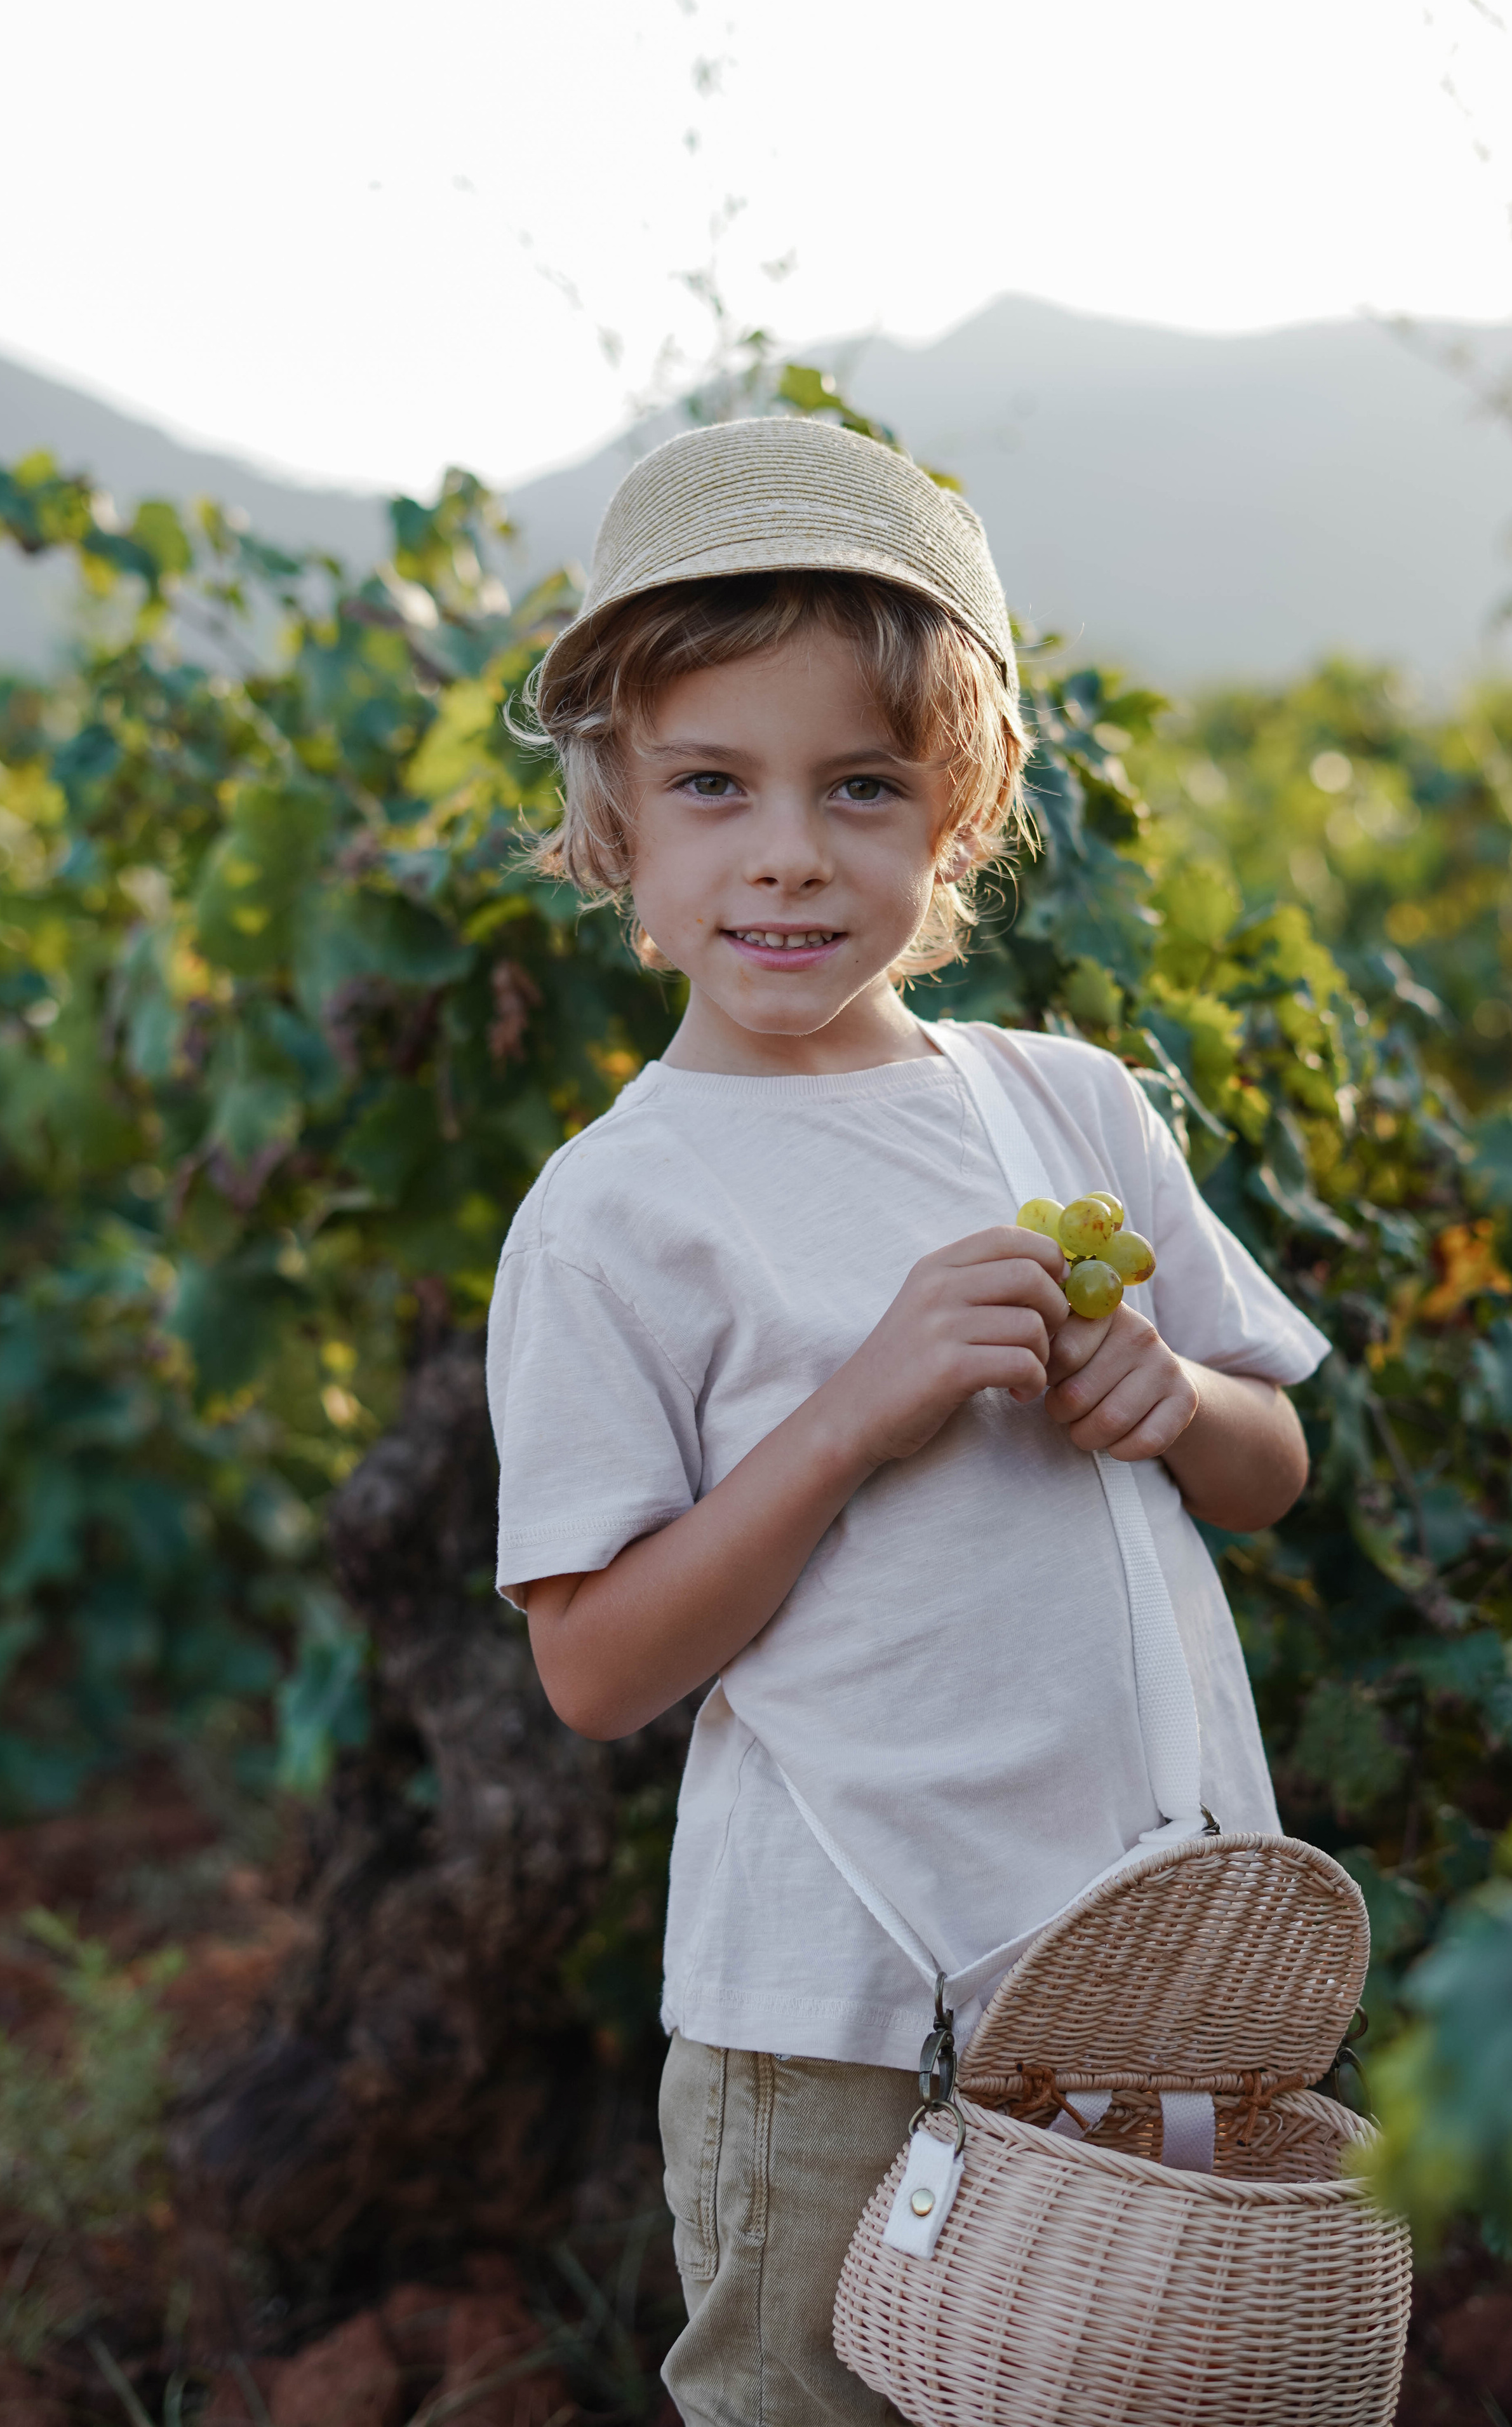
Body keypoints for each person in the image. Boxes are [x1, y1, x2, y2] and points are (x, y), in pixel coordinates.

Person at [485, 415, 1327, 2427]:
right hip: (843, 2015)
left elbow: (1272, 1471)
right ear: (619, 829)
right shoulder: (620, 1208)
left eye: (862, 787)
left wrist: (1173, 1399)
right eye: (714, 786)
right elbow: (595, 1667)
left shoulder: (1068, 1105)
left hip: (1145, 1984)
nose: (789, 850)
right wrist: (853, 1414)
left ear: (955, 820)